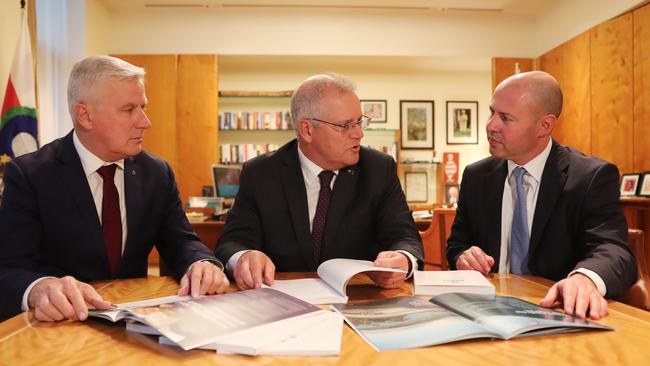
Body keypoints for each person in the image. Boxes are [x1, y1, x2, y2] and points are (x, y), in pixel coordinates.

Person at [0, 55, 229, 322]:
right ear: (84, 116)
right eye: (129, 109)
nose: (145, 121)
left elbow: (181, 242)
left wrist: (201, 263)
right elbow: (9, 267)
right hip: (61, 327)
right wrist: (40, 289)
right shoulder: (30, 175)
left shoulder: (156, 173)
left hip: (135, 325)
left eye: (142, 107)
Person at [446, 71, 637, 320]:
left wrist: (584, 279)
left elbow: (613, 250)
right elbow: (457, 244)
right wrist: (464, 256)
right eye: (492, 112)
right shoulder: (476, 176)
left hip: (555, 313)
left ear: (544, 125)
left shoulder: (590, 177)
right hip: (486, 313)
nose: (491, 125)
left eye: (505, 118)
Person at [215, 74, 423, 290]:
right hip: (283, 301)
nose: (359, 133)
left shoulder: (378, 169)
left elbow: (405, 237)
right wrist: (244, 257)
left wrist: (403, 259)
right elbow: (232, 242)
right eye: (346, 125)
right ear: (307, 130)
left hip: (358, 297)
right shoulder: (261, 173)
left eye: (359, 122)